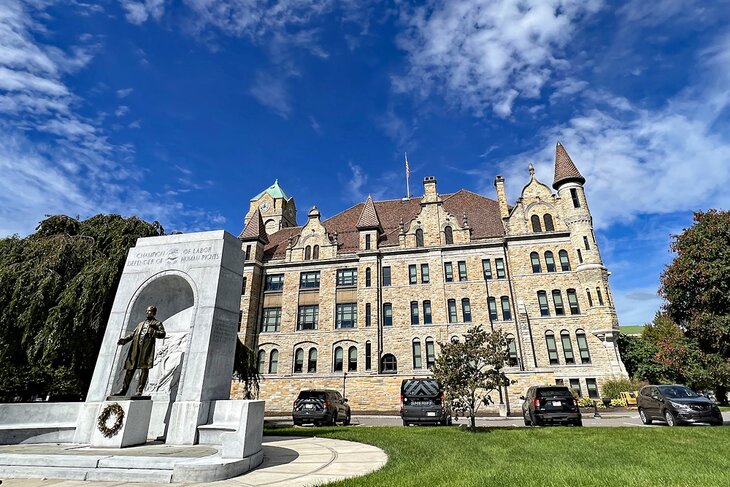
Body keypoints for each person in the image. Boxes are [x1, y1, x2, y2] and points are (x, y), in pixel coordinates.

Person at [113, 305, 166, 396]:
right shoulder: (140, 324)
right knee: (130, 369)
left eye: (149, 311)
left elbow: (163, 334)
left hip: (146, 350)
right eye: (146, 311)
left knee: (144, 369)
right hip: (135, 349)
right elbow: (133, 334)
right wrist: (125, 340)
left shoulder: (157, 323)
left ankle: (139, 390)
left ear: (153, 312)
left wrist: (153, 332)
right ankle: (123, 390)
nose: (147, 312)